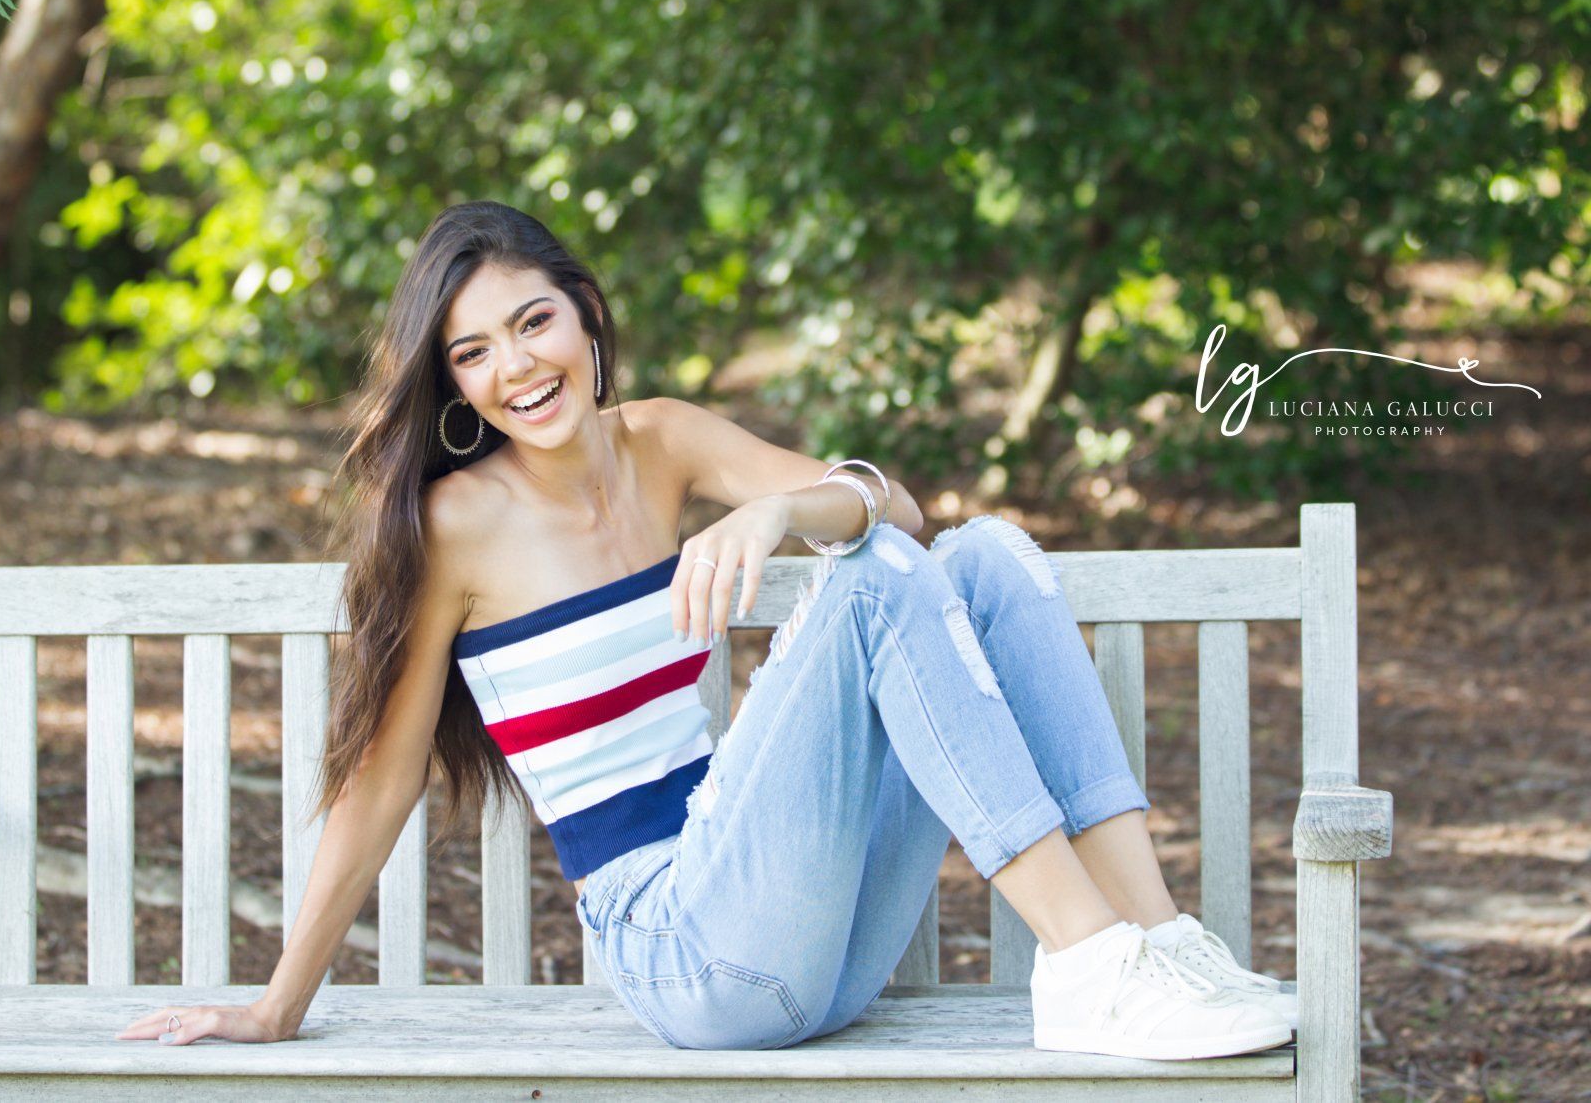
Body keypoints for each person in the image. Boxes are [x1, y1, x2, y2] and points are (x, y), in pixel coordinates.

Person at [118, 199, 1296, 1058]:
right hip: (687, 949)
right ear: (455, 383)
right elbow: (380, 785)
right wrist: (279, 1001)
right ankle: (1091, 964)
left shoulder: (663, 440)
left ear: (583, 311)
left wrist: (784, 506)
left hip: (822, 942)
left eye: (533, 323)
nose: (515, 367)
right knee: (875, 577)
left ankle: (1150, 941)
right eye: (472, 352)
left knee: (978, 553)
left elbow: (898, 506)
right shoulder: (456, 525)